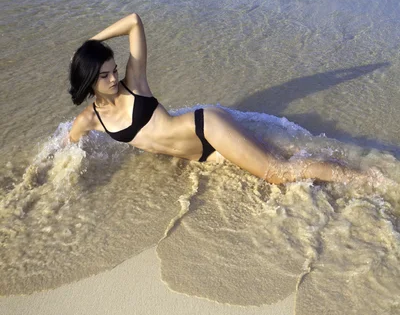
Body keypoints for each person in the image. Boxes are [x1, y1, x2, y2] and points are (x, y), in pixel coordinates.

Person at [68, 12, 364, 186]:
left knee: (280, 173)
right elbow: (69, 150)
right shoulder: (90, 120)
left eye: (113, 70)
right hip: (206, 155)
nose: (112, 78)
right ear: (89, 81)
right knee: (290, 155)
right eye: (104, 75)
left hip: (205, 127)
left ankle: (373, 181)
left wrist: (91, 43)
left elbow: (133, 21)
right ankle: (360, 167)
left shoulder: (133, 82)